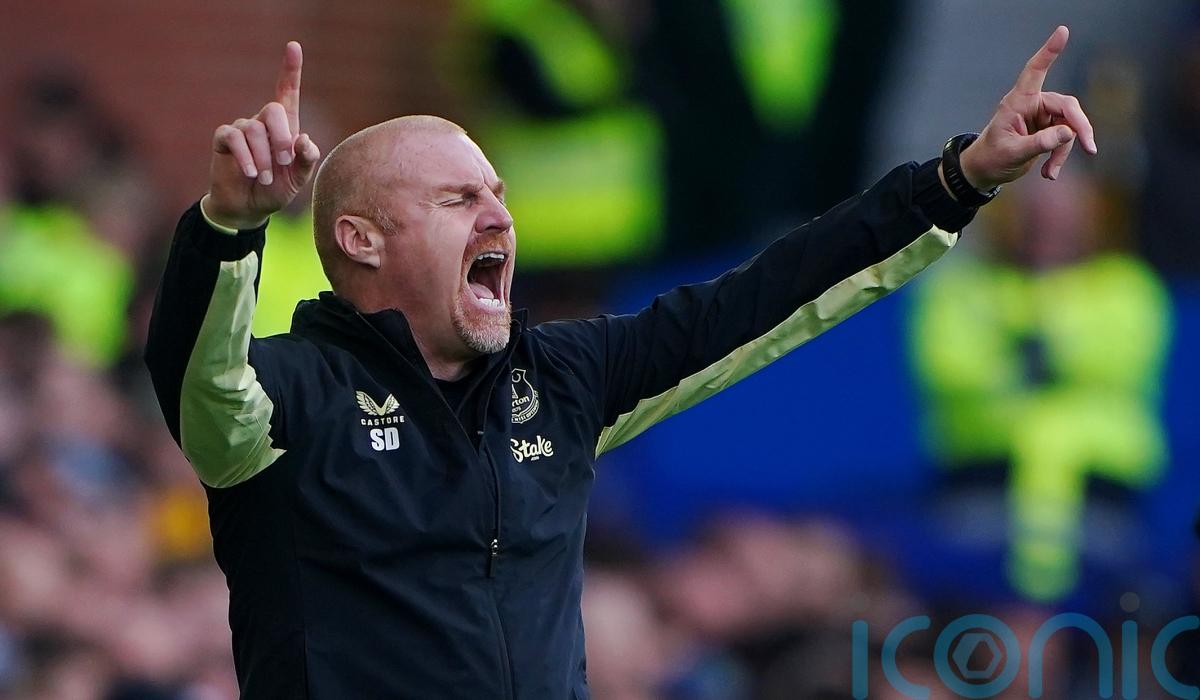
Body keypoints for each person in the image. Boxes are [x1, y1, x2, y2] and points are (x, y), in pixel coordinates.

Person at [144, 27, 1096, 699]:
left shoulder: (561, 381)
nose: (500, 216)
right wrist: (228, 226)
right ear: (361, 239)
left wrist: (957, 181)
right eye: (458, 199)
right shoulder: (293, 397)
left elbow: (770, 298)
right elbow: (199, 383)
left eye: (498, 193)